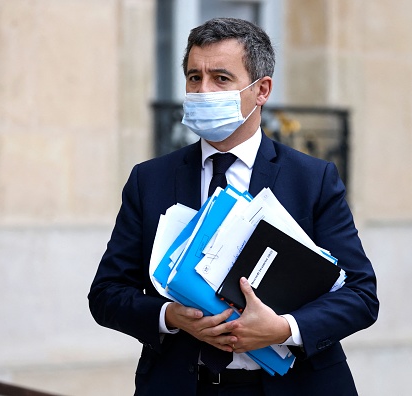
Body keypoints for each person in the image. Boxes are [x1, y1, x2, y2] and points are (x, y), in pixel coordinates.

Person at [88, 17, 378, 396]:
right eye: (194, 78)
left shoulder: (312, 178)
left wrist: (283, 328)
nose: (203, 90)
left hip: (294, 386)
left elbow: (360, 294)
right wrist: (170, 316)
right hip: (184, 385)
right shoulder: (150, 180)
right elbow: (107, 293)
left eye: (221, 79)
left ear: (262, 90)